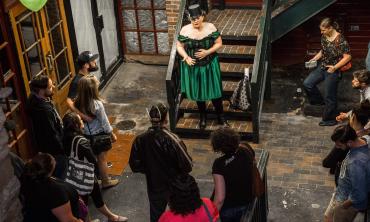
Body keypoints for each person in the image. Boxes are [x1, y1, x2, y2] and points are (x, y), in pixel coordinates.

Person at [129, 103, 193, 222]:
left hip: (154, 186)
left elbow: (134, 165)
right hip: (175, 186)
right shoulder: (173, 139)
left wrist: (150, 169)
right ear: (166, 119)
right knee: (179, 215)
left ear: (150, 119)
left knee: (156, 217)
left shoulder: (140, 139)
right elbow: (188, 165)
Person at [62, 112, 128, 221]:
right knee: (97, 198)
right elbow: (92, 159)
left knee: (83, 201)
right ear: (76, 125)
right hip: (86, 175)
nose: (82, 122)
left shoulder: (66, 138)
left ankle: (91, 220)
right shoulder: (82, 141)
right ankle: (112, 217)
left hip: (75, 174)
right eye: (80, 120)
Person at [176, 3, 228, 130]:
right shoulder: (185, 30)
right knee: (199, 92)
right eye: (193, 19)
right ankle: (203, 117)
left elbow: (219, 43)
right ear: (189, 18)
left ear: (202, 17)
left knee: (215, 90)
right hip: (194, 66)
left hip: (210, 63)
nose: (195, 21)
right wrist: (186, 57)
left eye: (197, 18)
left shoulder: (210, 28)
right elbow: (179, 46)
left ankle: (220, 117)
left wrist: (207, 52)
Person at [303, 17, 351, 126]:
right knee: (308, 83)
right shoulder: (325, 36)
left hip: (334, 69)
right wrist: (315, 58)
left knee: (330, 95)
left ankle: (330, 119)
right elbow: (323, 50)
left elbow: (347, 57)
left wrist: (334, 67)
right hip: (323, 66)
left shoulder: (341, 39)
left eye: (323, 30)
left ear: (330, 28)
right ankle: (319, 102)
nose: (321, 32)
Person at [74, 75, 119, 189]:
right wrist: (112, 134)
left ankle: (93, 180)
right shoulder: (97, 104)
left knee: (92, 159)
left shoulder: (77, 103)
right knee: (102, 159)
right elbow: (105, 123)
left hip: (86, 135)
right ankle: (106, 181)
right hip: (99, 135)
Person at [324, 125, 370, 222]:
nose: (337, 147)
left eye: (339, 145)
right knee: (328, 217)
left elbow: (359, 194)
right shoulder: (365, 140)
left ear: (349, 142)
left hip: (346, 202)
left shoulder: (356, 163)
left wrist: (343, 205)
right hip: (343, 193)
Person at [21, 153, 82, 222]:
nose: (55, 159)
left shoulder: (32, 180)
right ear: (51, 167)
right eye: (53, 159)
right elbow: (68, 220)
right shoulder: (55, 192)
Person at [211, 128, 255, 222]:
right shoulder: (245, 150)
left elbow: (220, 198)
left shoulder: (218, 164)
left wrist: (211, 217)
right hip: (247, 201)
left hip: (230, 209)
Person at [27, 74, 66, 178]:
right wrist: (62, 148)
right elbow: (52, 132)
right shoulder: (44, 110)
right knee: (61, 172)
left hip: (45, 147)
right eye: (49, 87)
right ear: (41, 90)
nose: (53, 87)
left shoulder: (34, 99)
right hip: (54, 150)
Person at [323, 103, 370, 186]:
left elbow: (327, 162)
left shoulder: (349, 139)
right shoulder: (365, 138)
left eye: (351, 116)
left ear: (354, 118)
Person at [67, 51, 100, 122]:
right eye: (92, 60)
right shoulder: (77, 81)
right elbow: (69, 102)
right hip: (87, 119)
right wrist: (84, 117)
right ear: (86, 65)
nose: (95, 61)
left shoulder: (88, 76)